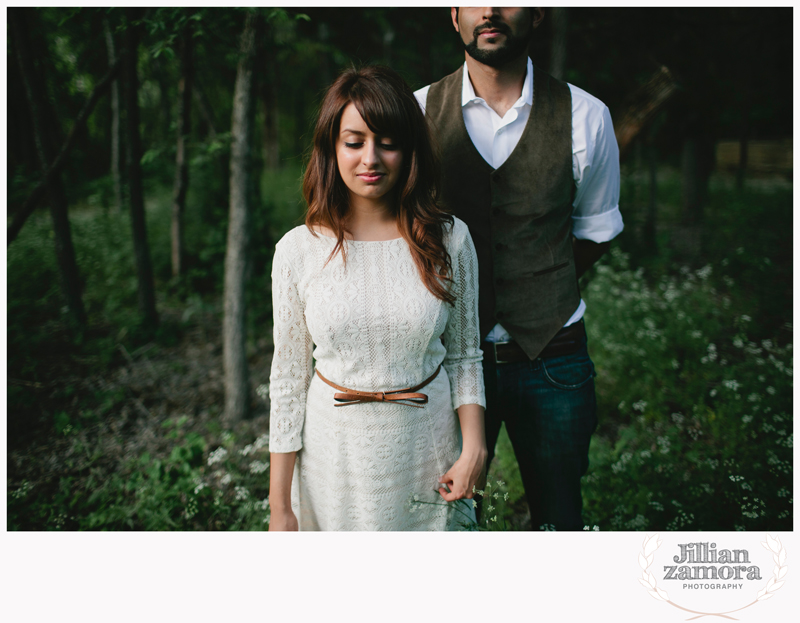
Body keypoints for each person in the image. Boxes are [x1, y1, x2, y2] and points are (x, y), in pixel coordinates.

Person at [414, 8, 623, 530]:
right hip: (446, 359)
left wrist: (538, 287)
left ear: (539, 14)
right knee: (446, 521)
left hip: (554, 358)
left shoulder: (586, 116)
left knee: (559, 522)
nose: (490, 12)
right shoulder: (414, 113)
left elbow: (596, 230)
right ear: (452, 15)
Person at [268, 65, 487, 531]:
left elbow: (466, 356)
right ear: (332, 147)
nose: (371, 158)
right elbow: (288, 380)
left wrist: (474, 449)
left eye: (387, 141)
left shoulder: (450, 241)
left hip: (426, 451)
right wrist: (280, 506)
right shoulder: (297, 250)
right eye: (354, 141)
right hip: (334, 459)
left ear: (409, 150)